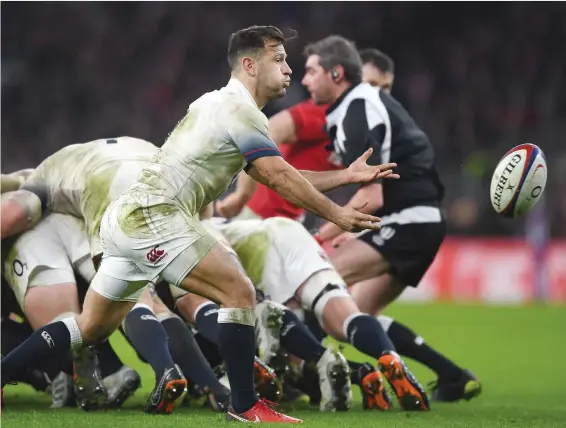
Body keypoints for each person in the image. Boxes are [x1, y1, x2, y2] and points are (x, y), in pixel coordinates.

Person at [1, 26, 398, 424]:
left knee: (88, 327)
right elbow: (279, 178)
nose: (288, 69)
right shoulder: (240, 112)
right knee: (239, 291)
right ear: (250, 65)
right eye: (278, 59)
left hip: (127, 218)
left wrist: (345, 176)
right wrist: (338, 214)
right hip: (156, 217)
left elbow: (280, 173)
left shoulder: (217, 104)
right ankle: (243, 405)